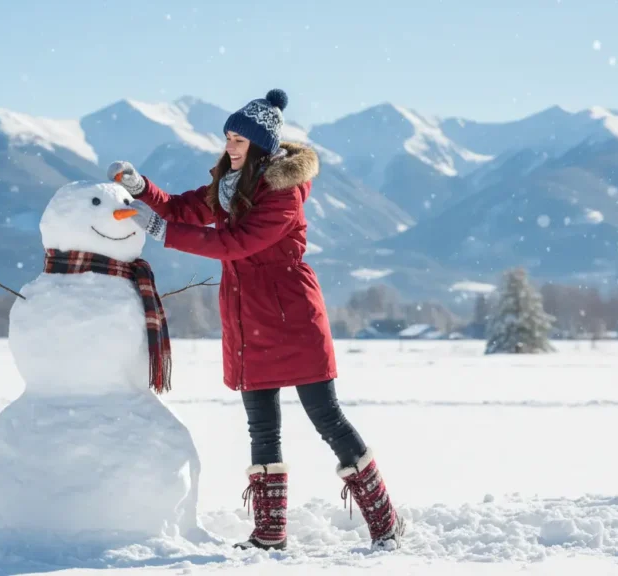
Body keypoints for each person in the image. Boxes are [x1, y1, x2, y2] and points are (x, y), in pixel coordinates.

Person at [106, 89, 404, 552]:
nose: (229, 146)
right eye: (227, 137)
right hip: (248, 315)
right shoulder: (231, 185)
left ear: (260, 144)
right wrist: (143, 188)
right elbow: (186, 208)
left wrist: (161, 231)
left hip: (293, 315)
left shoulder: (283, 194)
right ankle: (269, 532)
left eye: (238, 139)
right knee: (261, 426)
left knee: (327, 417)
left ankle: (385, 521)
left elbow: (235, 244)